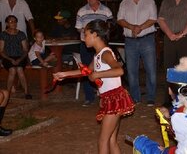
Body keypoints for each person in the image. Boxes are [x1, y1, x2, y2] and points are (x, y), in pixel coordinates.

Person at [53, 19, 134, 154]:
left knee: (103, 140)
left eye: (85, 34)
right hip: (111, 98)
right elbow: (87, 71)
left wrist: (97, 75)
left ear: (95, 34)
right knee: (111, 140)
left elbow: (119, 70)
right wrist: (63, 74)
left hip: (115, 99)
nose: (84, 38)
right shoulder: (98, 55)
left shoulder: (106, 53)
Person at [117, 0, 157, 105]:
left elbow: (153, 19)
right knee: (131, 70)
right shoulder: (124, 3)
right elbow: (119, 19)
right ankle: (135, 97)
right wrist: (132, 27)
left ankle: (151, 97)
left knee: (150, 70)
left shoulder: (149, 1)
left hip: (147, 40)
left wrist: (140, 27)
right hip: (130, 41)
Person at [76, 0, 113, 107]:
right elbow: (78, 28)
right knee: (87, 69)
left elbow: (110, 27)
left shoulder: (106, 11)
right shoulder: (81, 11)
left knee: (102, 69)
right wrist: (88, 36)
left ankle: (104, 95)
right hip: (86, 45)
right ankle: (89, 97)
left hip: (101, 45)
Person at [0, 15, 32, 99]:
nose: (13, 23)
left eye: (15, 21)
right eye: (11, 21)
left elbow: (25, 50)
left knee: (19, 69)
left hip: (20, 57)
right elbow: (1, 51)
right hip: (8, 57)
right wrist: (10, 59)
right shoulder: (3, 34)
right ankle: (8, 92)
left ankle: (26, 92)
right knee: (13, 70)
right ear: (7, 23)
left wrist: (20, 59)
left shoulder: (21, 34)